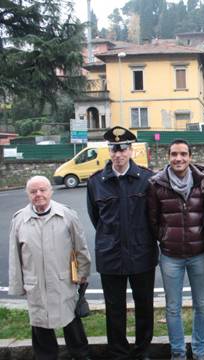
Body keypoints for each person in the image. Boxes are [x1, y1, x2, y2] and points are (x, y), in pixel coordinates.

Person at [87, 126, 157, 360]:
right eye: (113, 149)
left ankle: (142, 350)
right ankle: (118, 352)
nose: (118, 154)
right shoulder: (96, 182)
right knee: (114, 308)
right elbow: (96, 218)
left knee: (144, 306)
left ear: (131, 151)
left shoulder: (147, 179)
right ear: (109, 151)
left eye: (123, 149)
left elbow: (153, 217)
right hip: (111, 255)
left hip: (141, 253)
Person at [9, 176, 92, 360]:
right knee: (40, 327)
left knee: (71, 323)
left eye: (42, 190)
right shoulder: (19, 220)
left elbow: (81, 247)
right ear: (27, 194)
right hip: (35, 284)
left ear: (50, 191)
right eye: (33, 191)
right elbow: (15, 255)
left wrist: (83, 273)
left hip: (63, 281)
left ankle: (81, 355)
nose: (38, 194)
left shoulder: (66, 215)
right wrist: (18, 284)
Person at [147, 139, 204, 360]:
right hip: (170, 256)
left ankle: (200, 351)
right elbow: (152, 219)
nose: (179, 158)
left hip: (199, 254)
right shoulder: (156, 184)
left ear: (190, 156)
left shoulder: (202, 181)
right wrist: (165, 238)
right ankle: (178, 353)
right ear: (168, 157)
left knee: (202, 305)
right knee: (173, 307)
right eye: (174, 154)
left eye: (183, 154)